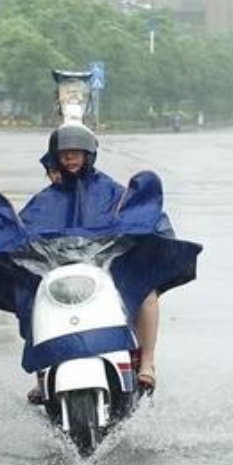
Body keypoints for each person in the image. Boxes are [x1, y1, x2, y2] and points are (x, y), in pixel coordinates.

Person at [21, 123, 162, 398]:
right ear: (56, 157)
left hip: (109, 269)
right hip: (60, 271)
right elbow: (25, 227)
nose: (71, 159)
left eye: (76, 153)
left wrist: (140, 234)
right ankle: (43, 372)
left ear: (89, 155)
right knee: (30, 296)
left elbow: (137, 214)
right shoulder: (45, 199)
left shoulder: (111, 191)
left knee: (148, 294)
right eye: (65, 154)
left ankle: (147, 362)